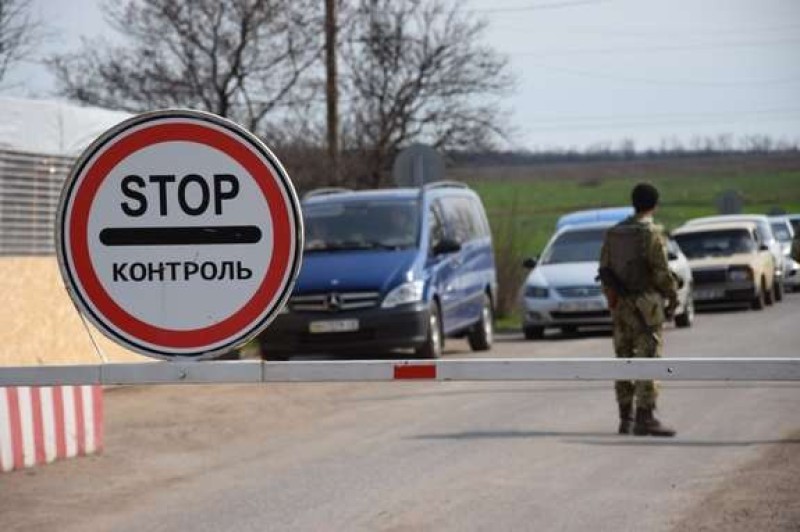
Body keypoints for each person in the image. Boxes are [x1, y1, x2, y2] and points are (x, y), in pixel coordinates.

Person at [598, 183, 678, 437]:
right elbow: (662, 273)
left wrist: (615, 299)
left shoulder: (614, 233)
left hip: (621, 307)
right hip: (647, 308)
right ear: (654, 205)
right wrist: (673, 296)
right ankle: (645, 417)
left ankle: (625, 418)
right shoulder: (651, 233)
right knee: (648, 359)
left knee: (623, 360)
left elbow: (604, 269)